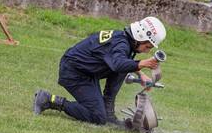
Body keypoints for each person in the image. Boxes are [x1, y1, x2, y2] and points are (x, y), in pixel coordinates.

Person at [33, 17, 167, 126]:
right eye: (147, 46)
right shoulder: (121, 44)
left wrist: (141, 74)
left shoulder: (123, 40)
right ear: (140, 36)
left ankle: (108, 112)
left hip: (86, 73)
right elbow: (117, 64)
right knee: (97, 117)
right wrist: (143, 64)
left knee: (122, 69)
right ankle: (49, 100)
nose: (147, 50)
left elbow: (121, 62)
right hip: (74, 73)